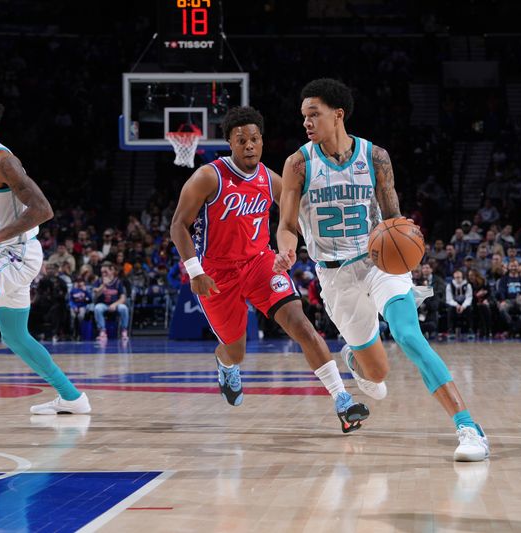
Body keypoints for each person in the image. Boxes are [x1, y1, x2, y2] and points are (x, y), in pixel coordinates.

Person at [274, 79, 488, 461]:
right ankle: (356, 359)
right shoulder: (298, 164)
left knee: (408, 335)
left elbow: (393, 220)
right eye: (303, 117)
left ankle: (469, 427)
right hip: (335, 275)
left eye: (313, 115)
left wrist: (406, 241)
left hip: (378, 262)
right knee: (377, 375)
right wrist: (287, 251)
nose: (306, 123)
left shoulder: (376, 158)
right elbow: (288, 226)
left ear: (337, 114)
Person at [170, 106, 368, 433]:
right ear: (230, 144)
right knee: (236, 350)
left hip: (260, 263)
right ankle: (225, 362)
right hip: (217, 274)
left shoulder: (268, 178)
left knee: (301, 325)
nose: (249, 145)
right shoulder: (208, 176)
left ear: (262, 141)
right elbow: (179, 225)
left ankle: (343, 400)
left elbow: (299, 217)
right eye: (242, 140)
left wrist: (332, 241)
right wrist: (194, 271)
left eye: (255, 139)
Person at [0, 92, 90, 422]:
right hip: (2, 253)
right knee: (14, 336)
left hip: (17, 254)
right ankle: (72, 396)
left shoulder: (2, 160)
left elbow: (43, 209)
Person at [92, 263, 130, 341]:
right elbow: (96, 295)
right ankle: (102, 331)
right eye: (102, 272)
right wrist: (103, 285)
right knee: (97, 308)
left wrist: (115, 304)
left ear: (112, 271)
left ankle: (124, 330)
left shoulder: (118, 282)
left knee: (124, 308)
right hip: (103, 304)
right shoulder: (98, 281)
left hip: (115, 304)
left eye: (106, 272)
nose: (104, 274)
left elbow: (123, 298)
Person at [445, 270, 474, 340]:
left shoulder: (468, 285)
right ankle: (450, 330)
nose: (458, 278)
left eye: (459, 277)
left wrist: (463, 306)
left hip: (464, 305)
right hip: (454, 305)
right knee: (450, 309)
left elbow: (469, 297)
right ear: (454, 277)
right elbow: (449, 299)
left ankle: (470, 329)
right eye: (456, 277)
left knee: (469, 308)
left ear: (462, 277)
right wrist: (457, 305)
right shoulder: (449, 286)